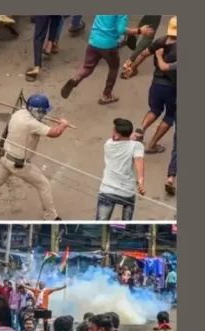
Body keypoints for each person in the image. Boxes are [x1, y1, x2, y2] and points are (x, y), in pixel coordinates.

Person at [0, 94, 70, 221]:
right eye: (42, 111)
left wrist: (42, 119)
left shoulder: (19, 113)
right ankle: (51, 216)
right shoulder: (31, 124)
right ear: (34, 110)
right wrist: (63, 125)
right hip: (19, 164)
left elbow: (36, 123)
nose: (44, 113)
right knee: (44, 185)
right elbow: (55, 133)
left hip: (5, 158)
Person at [60, 15, 155, 104]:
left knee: (87, 67)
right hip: (109, 45)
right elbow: (120, 30)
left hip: (94, 41)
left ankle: (75, 78)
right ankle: (107, 95)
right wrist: (139, 31)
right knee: (114, 67)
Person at [129, 17, 178, 155]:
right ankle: (151, 144)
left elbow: (144, 53)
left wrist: (133, 67)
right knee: (169, 116)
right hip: (172, 87)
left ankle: (140, 131)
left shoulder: (161, 41)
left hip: (156, 83)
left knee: (154, 109)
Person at [96, 118, 145, 220]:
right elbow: (138, 160)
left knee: (101, 224)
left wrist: (129, 138)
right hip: (127, 192)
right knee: (126, 227)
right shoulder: (137, 146)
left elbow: (119, 140)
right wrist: (141, 180)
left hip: (107, 190)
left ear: (117, 135)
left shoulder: (108, 145)